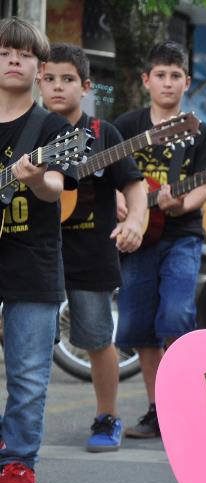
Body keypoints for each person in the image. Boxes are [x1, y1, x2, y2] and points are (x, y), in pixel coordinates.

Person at [39, 43, 147, 452]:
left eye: (68, 79)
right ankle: (19, 422)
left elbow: (134, 185)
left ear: (85, 87)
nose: (58, 87)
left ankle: (107, 416)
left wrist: (134, 221)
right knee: (27, 342)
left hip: (91, 254)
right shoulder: (31, 128)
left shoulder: (104, 135)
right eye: (50, 79)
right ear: (38, 82)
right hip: (35, 255)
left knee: (98, 339)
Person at [113, 41, 206, 439]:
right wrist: (119, 200)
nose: (168, 82)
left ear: (187, 82)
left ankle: (185, 406)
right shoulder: (126, 126)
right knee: (140, 325)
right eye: (160, 75)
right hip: (138, 238)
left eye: (176, 76)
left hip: (182, 235)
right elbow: (108, 175)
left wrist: (180, 204)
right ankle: (158, 409)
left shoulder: (200, 133)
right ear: (146, 80)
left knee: (176, 315)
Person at [0, 17, 78, 483]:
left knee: (28, 372)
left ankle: (17, 461)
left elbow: (54, 188)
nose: (14, 60)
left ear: (40, 68)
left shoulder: (51, 127)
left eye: (25, 54)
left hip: (33, 261)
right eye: (5, 52)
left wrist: (33, 179)